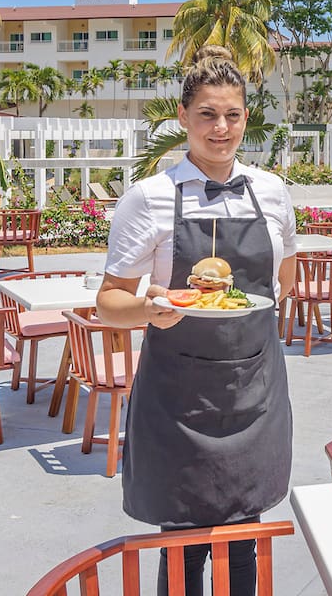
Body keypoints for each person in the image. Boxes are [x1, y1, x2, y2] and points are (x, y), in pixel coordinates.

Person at [97, 45, 297, 596]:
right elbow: (108, 300)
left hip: (254, 389)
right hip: (180, 395)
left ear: (246, 120)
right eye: (207, 113)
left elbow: (286, 279)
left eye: (232, 114)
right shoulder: (150, 198)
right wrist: (148, 309)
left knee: (244, 540)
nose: (220, 127)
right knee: (182, 547)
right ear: (183, 117)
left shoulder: (273, 193)